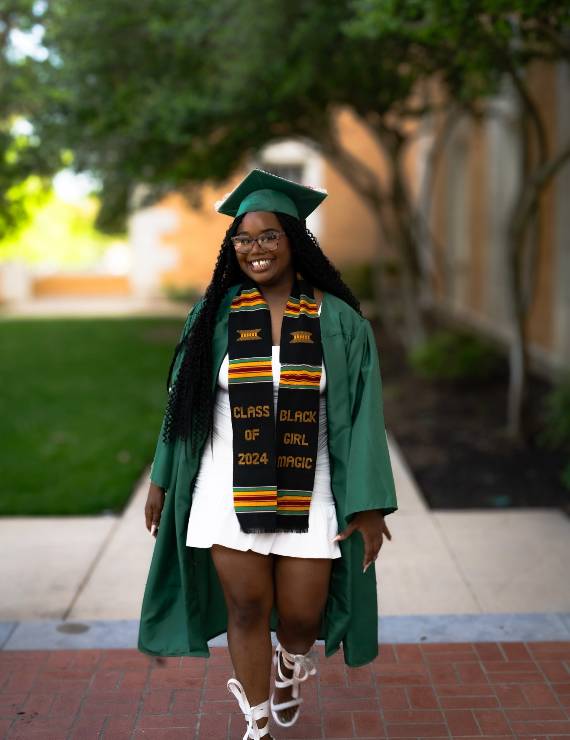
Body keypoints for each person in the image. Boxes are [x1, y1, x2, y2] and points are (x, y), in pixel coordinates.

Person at [138, 169, 397, 740]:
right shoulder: (213, 317)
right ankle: (256, 721)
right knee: (249, 607)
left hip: (312, 488)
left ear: (295, 240)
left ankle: (288, 663)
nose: (255, 249)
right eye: (243, 239)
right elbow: (181, 409)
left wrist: (370, 504)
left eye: (268, 236)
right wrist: (161, 480)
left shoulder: (341, 322)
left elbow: (362, 419)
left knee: (303, 615)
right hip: (227, 487)